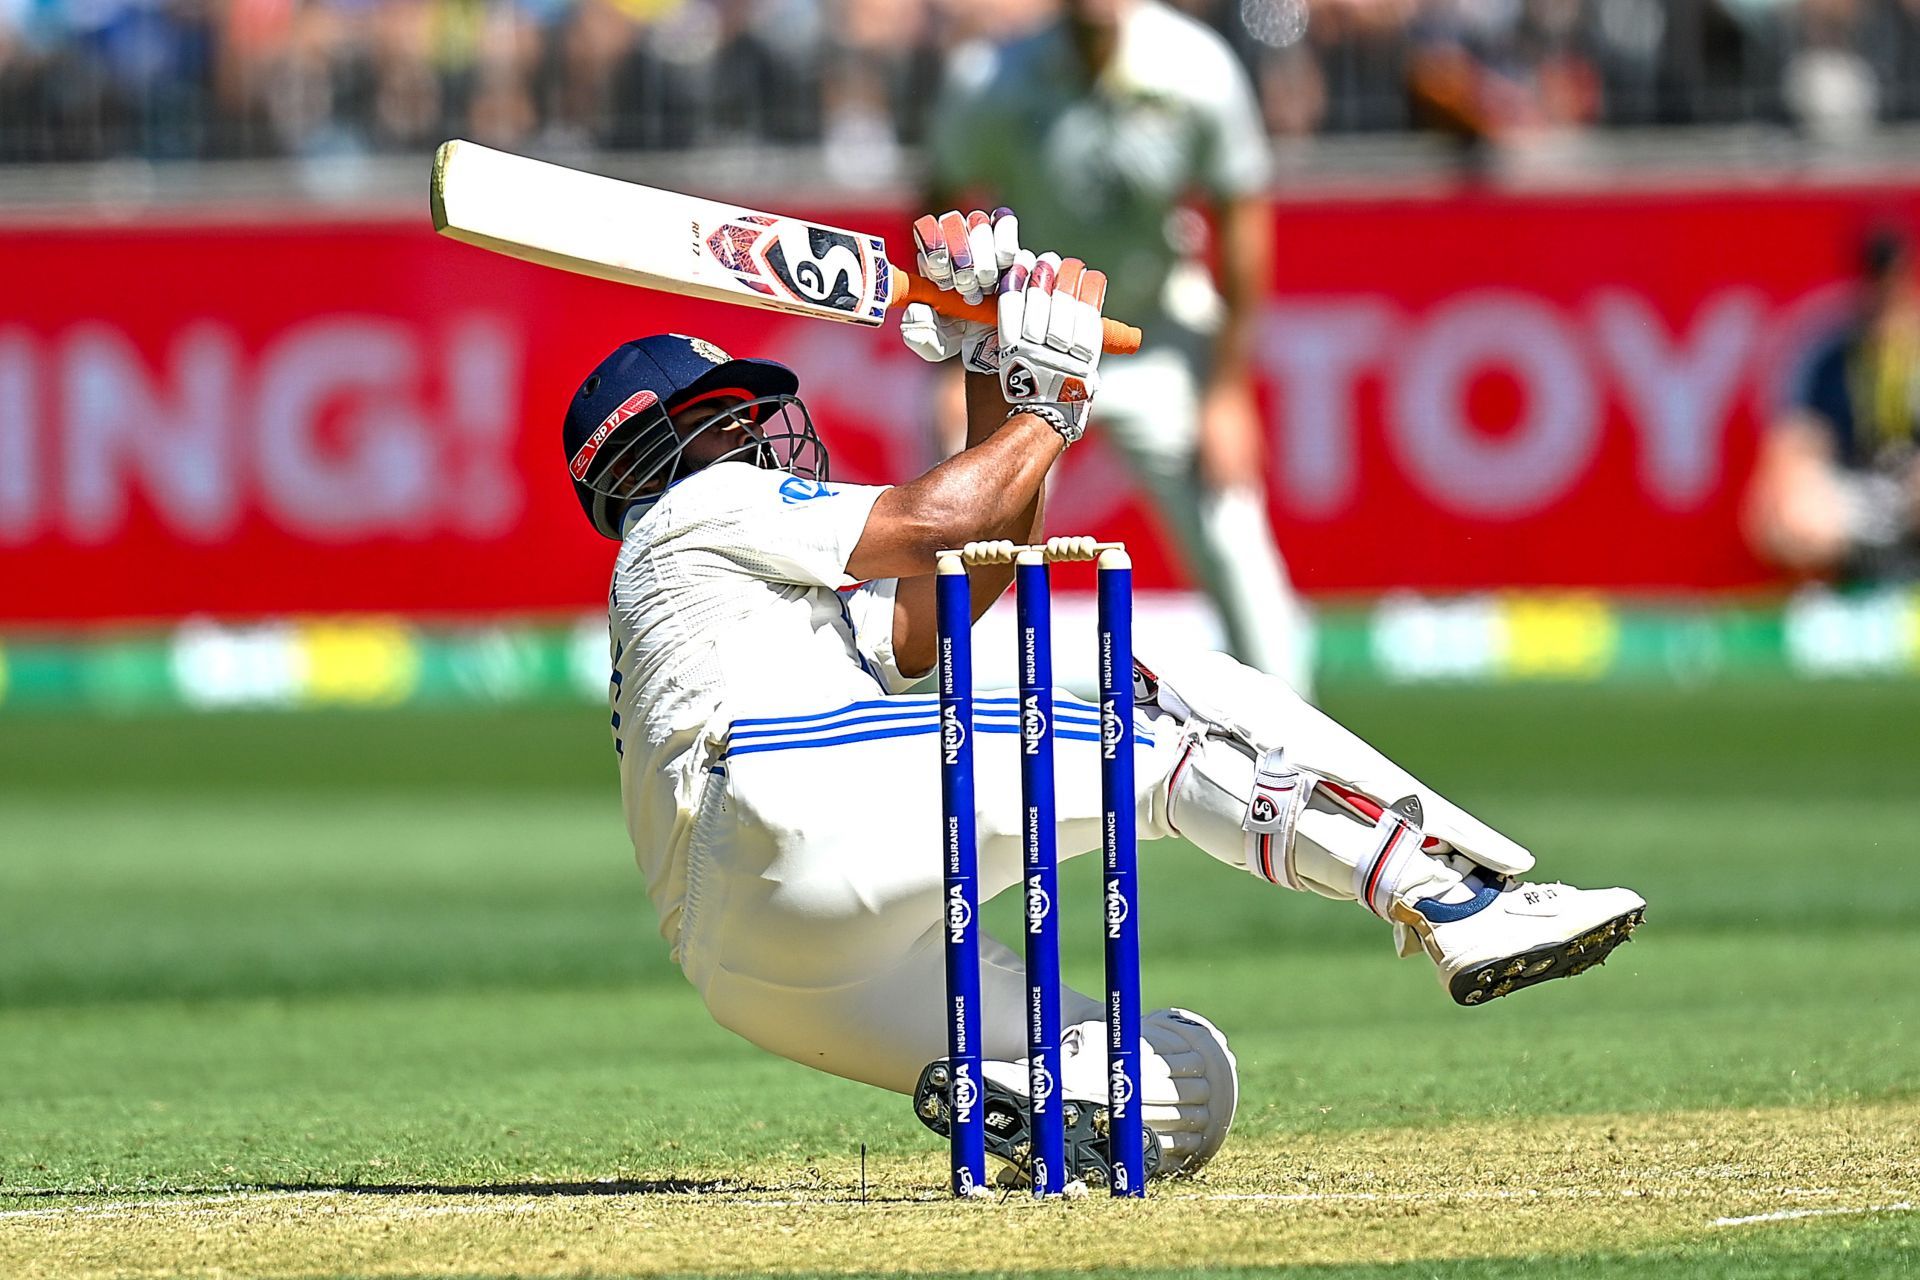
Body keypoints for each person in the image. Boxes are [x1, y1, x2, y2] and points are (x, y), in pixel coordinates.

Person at [569, 209, 1646, 1188]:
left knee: (1181, 1079)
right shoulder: (695, 512)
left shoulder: (726, 600)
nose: (757, 437)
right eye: (722, 419)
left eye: (753, 416)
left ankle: (1036, 1103)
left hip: (755, 962)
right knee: (1176, 710)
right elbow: (940, 522)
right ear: (650, 455)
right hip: (787, 798)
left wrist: (993, 364)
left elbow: (945, 600)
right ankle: (1452, 898)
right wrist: (1056, 398)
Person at [927, 0, 1313, 694]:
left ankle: (1302, 751)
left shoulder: (1196, 67)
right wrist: (959, 362)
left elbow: (1242, 215)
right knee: (969, 535)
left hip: (1158, 339)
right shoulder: (993, 78)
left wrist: (1227, 391)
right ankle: (931, 733)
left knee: (1233, 536)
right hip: (1031, 341)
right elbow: (940, 202)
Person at [1746, 228, 1920, 583]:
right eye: (1878, 281)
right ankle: (1827, 599)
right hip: (1852, 496)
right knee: (1793, 506)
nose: (1886, 296)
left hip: (1910, 496)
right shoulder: (1829, 357)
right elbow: (1792, 448)